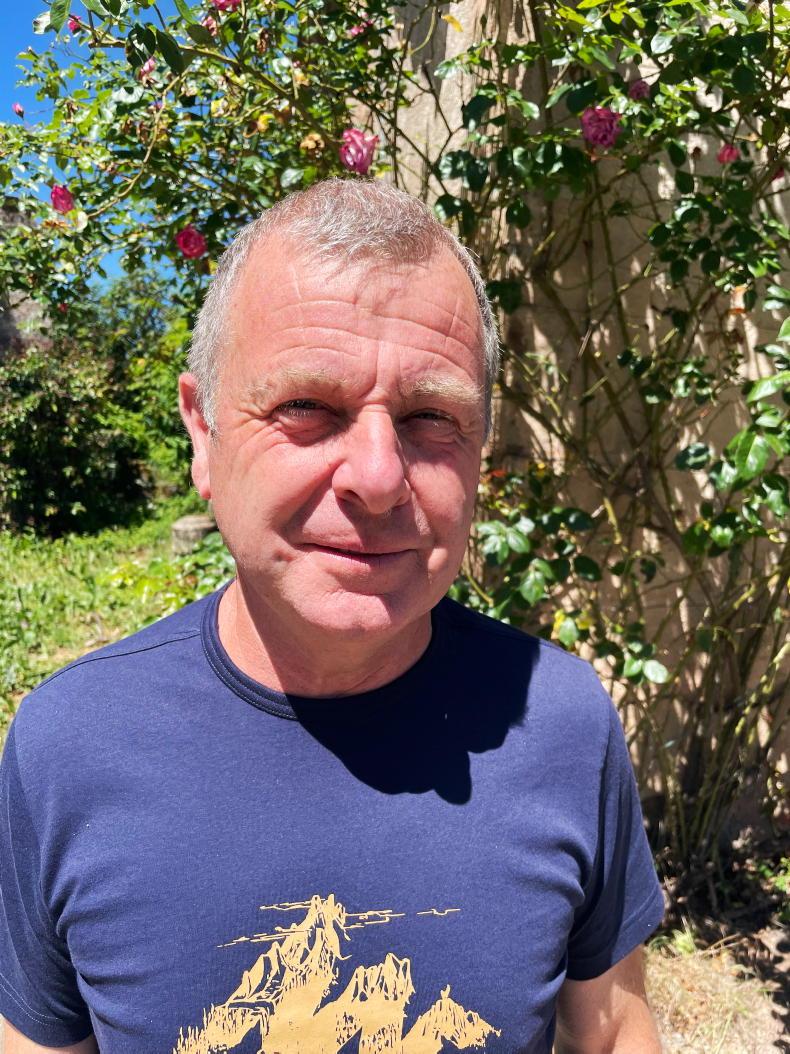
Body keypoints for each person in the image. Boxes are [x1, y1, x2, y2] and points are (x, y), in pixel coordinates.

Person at [0, 178, 664, 1054]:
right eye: (307, 408)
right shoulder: (68, 746)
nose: (379, 478)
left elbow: (612, 1031)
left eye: (431, 417)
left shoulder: (561, 722)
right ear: (202, 432)